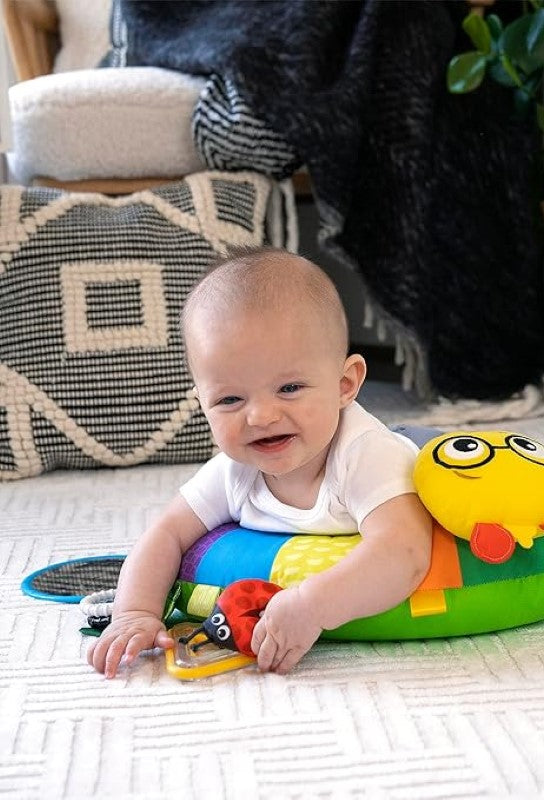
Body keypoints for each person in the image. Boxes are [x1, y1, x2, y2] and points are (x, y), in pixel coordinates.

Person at [87, 248, 433, 677]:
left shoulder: (367, 455)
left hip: (412, 450)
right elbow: (166, 532)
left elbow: (405, 551)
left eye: (289, 388)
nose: (262, 417)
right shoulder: (234, 471)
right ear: (203, 405)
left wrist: (313, 605)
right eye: (230, 399)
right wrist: (135, 612)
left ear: (345, 384)